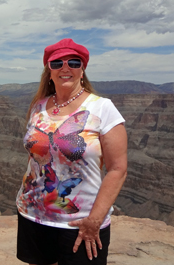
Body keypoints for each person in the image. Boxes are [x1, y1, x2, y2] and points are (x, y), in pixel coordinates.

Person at [16, 38, 127, 265]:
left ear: (82, 70)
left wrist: (94, 220)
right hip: (33, 214)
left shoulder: (102, 108)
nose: (65, 68)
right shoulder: (39, 105)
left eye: (73, 62)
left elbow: (118, 169)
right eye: (57, 63)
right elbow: (34, 158)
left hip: (81, 222)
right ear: (49, 70)